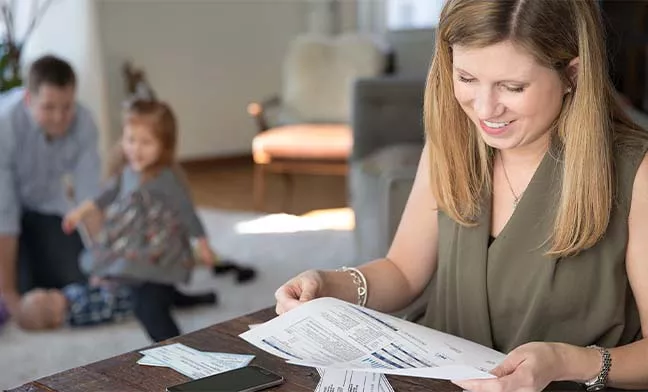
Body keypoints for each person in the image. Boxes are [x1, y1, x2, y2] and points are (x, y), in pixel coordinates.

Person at [274, 1, 648, 391]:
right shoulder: (450, 145)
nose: (485, 109)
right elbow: (403, 271)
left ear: (572, 73)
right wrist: (331, 285)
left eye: (512, 87)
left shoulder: (635, 173)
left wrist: (567, 361)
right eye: (467, 78)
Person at [63, 99, 220, 342]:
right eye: (130, 140)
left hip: (160, 250)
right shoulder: (127, 172)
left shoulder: (166, 179)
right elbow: (105, 195)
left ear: (164, 145)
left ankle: (175, 347)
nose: (136, 149)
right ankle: (172, 296)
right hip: (134, 245)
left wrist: (203, 244)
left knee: (148, 305)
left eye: (146, 142)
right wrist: (79, 213)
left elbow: (187, 212)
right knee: (135, 280)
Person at [0, 55, 101, 317]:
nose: (59, 117)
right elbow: (5, 214)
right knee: (19, 290)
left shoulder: (84, 122)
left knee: (79, 279)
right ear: (28, 100)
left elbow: (89, 200)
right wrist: (8, 293)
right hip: (4, 215)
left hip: (44, 211)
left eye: (66, 106)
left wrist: (105, 268)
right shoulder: (5, 124)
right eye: (48, 107)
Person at [16, 280, 216, 331]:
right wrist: (107, 287)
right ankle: (188, 300)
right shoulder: (77, 315)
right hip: (127, 299)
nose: (54, 292)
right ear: (57, 319)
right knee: (157, 299)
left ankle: (190, 298)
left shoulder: (68, 292)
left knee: (165, 291)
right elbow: (105, 310)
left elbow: (87, 285)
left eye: (48, 291)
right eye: (51, 300)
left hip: (121, 284)